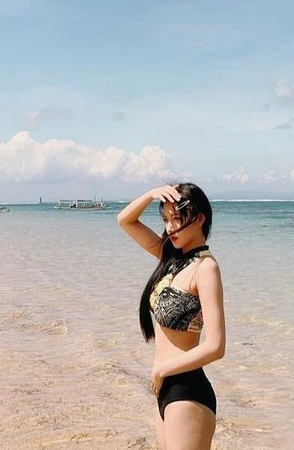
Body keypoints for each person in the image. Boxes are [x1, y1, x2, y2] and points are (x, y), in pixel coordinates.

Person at [117, 184, 225, 450]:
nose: (169, 227)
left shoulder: (205, 268)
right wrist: (151, 194)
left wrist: (163, 369)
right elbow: (125, 220)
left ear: (199, 219)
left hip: (188, 389)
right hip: (164, 389)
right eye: (165, 219)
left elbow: (216, 346)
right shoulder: (171, 259)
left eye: (177, 219)